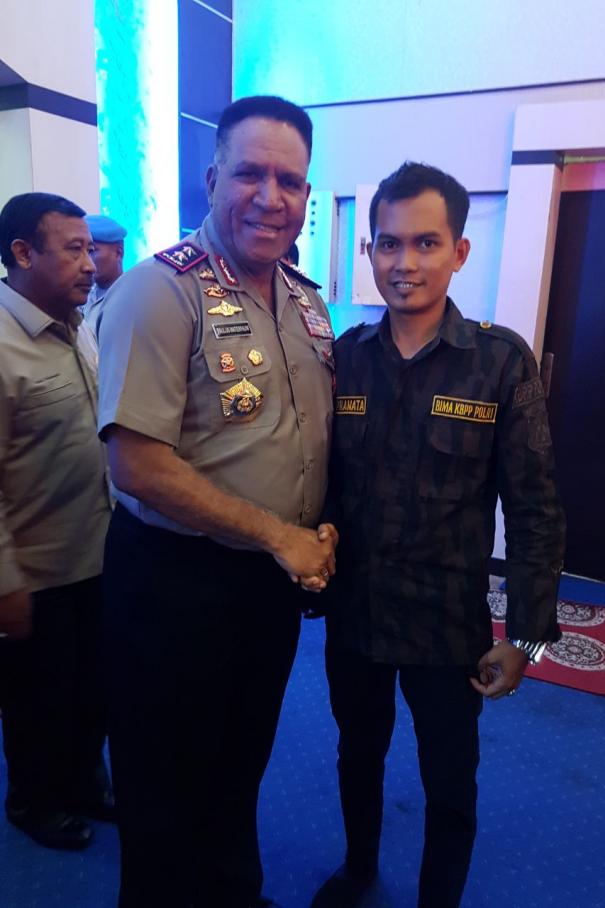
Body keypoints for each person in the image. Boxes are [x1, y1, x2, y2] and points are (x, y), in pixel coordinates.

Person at [97, 95, 338, 908]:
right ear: (211, 180)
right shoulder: (159, 293)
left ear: (306, 195)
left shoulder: (305, 301)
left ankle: (233, 894)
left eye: (289, 181)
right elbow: (136, 464)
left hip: (266, 585)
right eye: (249, 174)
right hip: (173, 583)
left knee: (240, 764)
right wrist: (278, 533)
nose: (270, 197)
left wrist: (312, 531)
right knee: (163, 786)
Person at [312, 162, 565, 908]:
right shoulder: (345, 357)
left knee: (450, 782)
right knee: (356, 755)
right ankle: (359, 868)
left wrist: (527, 639)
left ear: (459, 251)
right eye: (389, 244)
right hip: (356, 615)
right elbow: (322, 485)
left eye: (426, 243)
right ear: (370, 250)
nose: (406, 263)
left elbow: (535, 508)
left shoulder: (498, 361)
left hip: (447, 625)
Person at [0, 192, 114, 851]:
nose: (91, 263)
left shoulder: (79, 325)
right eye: (73, 249)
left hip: (98, 553)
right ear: (23, 253)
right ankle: (32, 801)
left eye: (90, 248)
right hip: (35, 572)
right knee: (36, 699)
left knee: (92, 686)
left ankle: (81, 781)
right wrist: (5, 582)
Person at [81, 213, 127, 339]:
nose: (85, 260)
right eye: (78, 250)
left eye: (91, 251)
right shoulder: (83, 296)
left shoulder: (131, 299)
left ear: (118, 253)